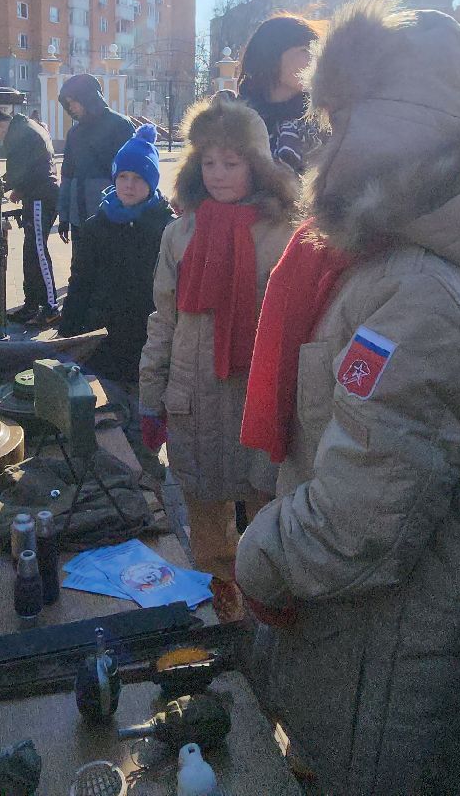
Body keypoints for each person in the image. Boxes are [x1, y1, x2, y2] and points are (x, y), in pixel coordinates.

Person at [234, 0, 460, 794]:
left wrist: (261, 558)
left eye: (336, 116)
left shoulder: (418, 291)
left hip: (396, 676)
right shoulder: (410, 254)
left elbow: (362, 524)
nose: (322, 139)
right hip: (382, 655)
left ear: (375, 128)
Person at [135, 98, 296, 578]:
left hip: (259, 401)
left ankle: (265, 617)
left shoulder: (285, 234)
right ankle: (224, 619)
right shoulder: (179, 234)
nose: (218, 174)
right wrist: (150, 397)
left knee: (268, 528)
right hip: (195, 401)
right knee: (209, 536)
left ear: (259, 165)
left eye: (232, 162)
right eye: (208, 162)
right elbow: (163, 320)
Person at [61, 124, 174, 464]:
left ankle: (148, 482)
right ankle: (116, 474)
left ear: (151, 183)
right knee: (107, 417)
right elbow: (79, 281)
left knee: (145, 421)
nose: (129, 184)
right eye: (123, 176)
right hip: (104, 337)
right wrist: (69, 334)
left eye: (138, 178)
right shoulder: (96, 226)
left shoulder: (165, 228)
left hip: (147, 339)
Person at [0, 106, 61, 322]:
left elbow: (18, 171)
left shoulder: (19, 133)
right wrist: (18, 188)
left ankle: (51, 307)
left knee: (38, 252)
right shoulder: (25, 127)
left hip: (40, 197)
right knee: (30, 252)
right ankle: (32, 304)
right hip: (37, 193)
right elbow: (31, 166)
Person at [237, 13, 325, 174]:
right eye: (305, 50)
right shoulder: (232, 121)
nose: (315, 59)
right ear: (272, 55)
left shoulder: (325, 124)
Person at [55, 71, 136, 241]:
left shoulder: (120, 125)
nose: (71, 108)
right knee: (79, 267)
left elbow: (135, 174)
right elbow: (67, 176)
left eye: (74, 102)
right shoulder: (74, 133)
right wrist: (64, 216)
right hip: (79, 220)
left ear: (88, 98)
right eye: (67, 104)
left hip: (112, 218)